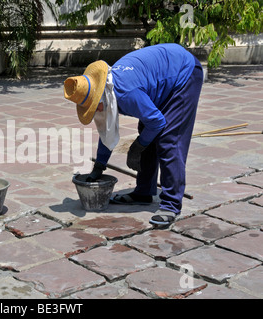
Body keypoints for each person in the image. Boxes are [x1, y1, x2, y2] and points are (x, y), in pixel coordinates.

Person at [63, 43, 203, 226]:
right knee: (147, 134)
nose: (94, 111)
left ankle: (171, 204)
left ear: (99, 96)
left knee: (169, 139)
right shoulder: (106, 91)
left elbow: (157, 121)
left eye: (92, 107)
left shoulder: (125, 93)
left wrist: (138, 146)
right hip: (161, 80)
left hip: (184, 73)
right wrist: (100, 165)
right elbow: (107, 130)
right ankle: (144, 192)